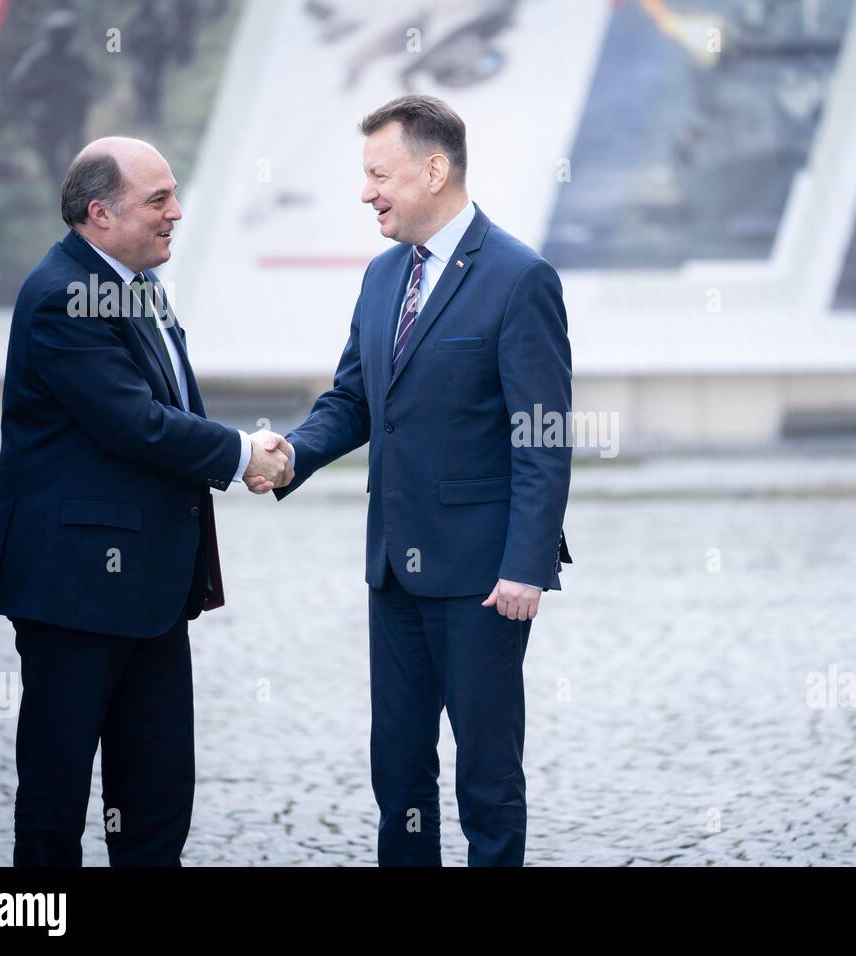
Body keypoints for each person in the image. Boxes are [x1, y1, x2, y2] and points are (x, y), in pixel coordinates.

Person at [253, 94, 573, 866]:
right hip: (394, 571)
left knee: (488, 778)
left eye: (378, 174)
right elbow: (356, 399)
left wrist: (526, 566)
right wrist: (293, 454)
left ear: (434, 170)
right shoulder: (381, 275)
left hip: (483, 582)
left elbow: (543, 436)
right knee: (398, 772)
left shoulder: (520, 276)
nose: (367, 192)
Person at [0, 136, 289, 866]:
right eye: (159, 201)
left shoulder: (137, 282)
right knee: (54, 814)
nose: (177, 213)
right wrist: (243, 453)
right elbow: (135, 423)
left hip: (151, 594)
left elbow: (168, 409)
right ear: (99, 213)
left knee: (155, 807)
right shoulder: (64, 295)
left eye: (173, 195)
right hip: (74, 595)